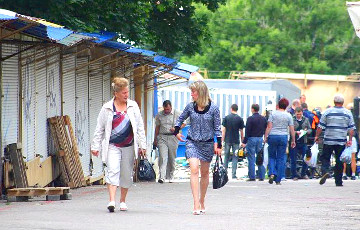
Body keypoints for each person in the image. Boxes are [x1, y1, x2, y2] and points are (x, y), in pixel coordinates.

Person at [91, 77, 146, 212]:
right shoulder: (107, 108)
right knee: (112, 170)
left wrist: (142, 145)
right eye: (124, 93)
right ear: (116, 93)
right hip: (112, 146)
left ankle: (122, 200)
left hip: (129, 146)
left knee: (126, 174)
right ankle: (111, 201)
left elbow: (139, 127)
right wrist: (95, 146)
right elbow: (100, 128)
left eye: (127, 92)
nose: (126, 95)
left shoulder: (133, 106)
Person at [173, 80, 222, 215]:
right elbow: (180, 119)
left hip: (207, 143)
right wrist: (176, 131)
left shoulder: (214, 108)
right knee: (194, 169)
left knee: (205, 173)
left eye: (193, 92)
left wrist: (219, 144)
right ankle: (195, 203)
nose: (191, 94)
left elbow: (217, 127)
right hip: (192, 142)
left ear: (200, 92)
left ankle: (202, 200)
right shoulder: (190, 107)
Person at [315, 94, 355, 186]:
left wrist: (317, 136)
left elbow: (320, 126)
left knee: (325, 158)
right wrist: (350, 140)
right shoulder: (348, 113)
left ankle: (325, 171)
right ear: (343, 102)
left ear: (334, 102)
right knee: (339, 161)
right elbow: (351, 129)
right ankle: (338, 181)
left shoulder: (327, 112)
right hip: (341, 141)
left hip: (328, 140)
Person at [264, 98, 296, 185]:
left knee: (272, 156)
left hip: (273, 136)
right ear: (286, 106)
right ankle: (278, 179)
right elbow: (291, 129)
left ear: (279, 104)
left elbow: (269, 127)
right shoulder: (288, 115)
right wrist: (293, 140)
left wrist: (265, 136)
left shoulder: (273, 114)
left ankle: (272, 173)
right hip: (283, 137)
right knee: (281, 158)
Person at [153, 100, 181, 183]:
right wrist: (155, 139)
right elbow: (157, 127)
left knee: (172, 158)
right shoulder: (159, 115)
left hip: (173, 137)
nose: (166, 111)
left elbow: (184, 123)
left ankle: (171, 175)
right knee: (162, 156)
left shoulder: (177, 113)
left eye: (168, 109)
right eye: (165, 109)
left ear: (171, 107)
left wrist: (176, 129)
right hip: (162, 137)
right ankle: (162, 176)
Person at [241, 104, 267, 181]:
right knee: (260, 157)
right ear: (258, 109)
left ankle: (252, 177)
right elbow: (265, 128)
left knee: (251, 158)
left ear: (252, 109)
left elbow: (247, 131)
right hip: (260, 138)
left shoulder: (250, 119)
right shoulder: (263, 119)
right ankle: (261, 176)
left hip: (251, 139)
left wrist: (244, 141)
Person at [222, 104, 244, 179]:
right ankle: (233, 174)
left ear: (231, 109)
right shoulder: (240, 119)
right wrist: (242, 140)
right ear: (237, 109)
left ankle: (224, 173)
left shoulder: (226, 118)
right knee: (235, 157)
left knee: (226, 156)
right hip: (236, 141)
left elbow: (223, 130)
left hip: (227, 140)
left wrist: (222, 140)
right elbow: (241, 131)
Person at [289, 107, 312, 180]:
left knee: (306, 158)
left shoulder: (306, 119)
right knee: (293, 159)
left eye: (300, 114)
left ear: (302, 113)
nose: (298, 115)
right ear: (295, 113)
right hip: (294, 141)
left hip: (303, 141)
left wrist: (306, 132)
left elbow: (310, 129)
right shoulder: (292, 119)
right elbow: (289, 130)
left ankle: (303, 173)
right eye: (297, 114)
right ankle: (294, 175)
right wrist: (296, 132)